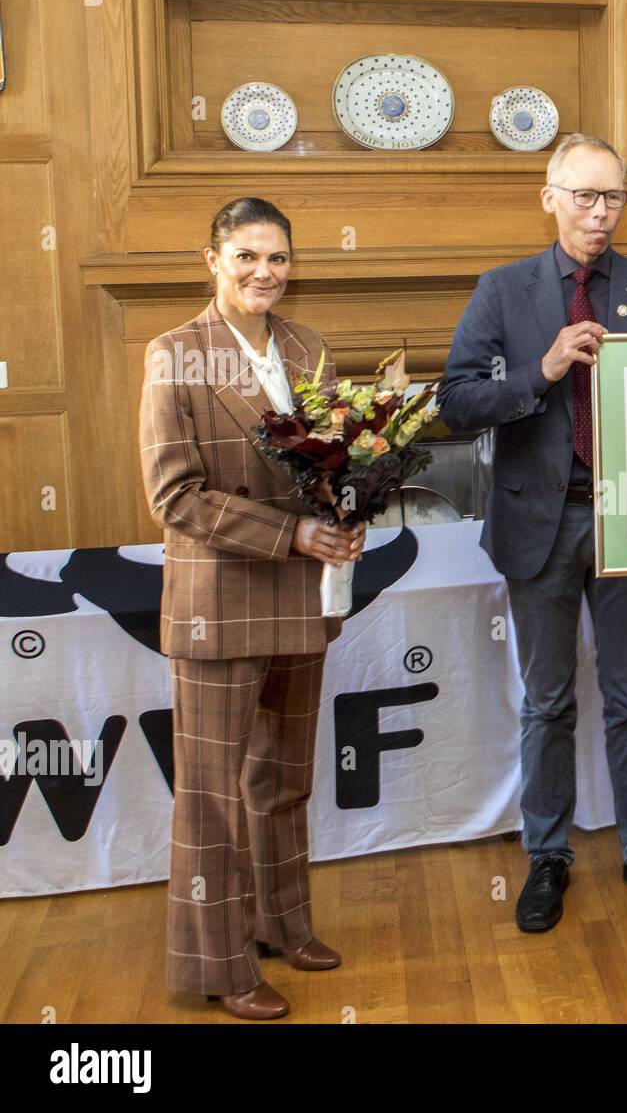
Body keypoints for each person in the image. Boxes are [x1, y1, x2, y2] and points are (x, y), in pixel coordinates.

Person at [438, 134, 627, 933]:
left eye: (613, 198)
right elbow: (454, 401)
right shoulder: (502, 291)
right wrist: (542, 371)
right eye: (585, 196)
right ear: (548, 196)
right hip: (537, 525)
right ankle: (548, 855)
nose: (600, 212)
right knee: (547, 701)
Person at [139, 197, 363, 1019]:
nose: (263, 272)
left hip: (302, 596)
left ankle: (285, 925)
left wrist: (346, 519)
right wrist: (295, 535)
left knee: (282, 781)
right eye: (245, 256)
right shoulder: (175, 355)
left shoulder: (308, 347)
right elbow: (175, 496)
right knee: (212, 797)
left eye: (277, 258)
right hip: (219, 603)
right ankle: (221, 967)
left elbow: (334, 464)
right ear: (212, 260)